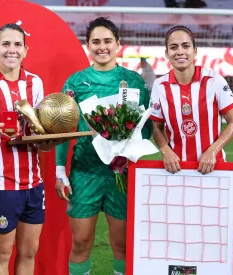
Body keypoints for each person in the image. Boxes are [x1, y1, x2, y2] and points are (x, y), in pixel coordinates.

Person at [55, 17, 152, 275]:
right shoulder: (76, 82)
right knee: (81, 242)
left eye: (108, 41)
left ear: (118, 44)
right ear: (88, 46)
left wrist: (130, 153)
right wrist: (59, 172)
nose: (102, 46)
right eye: (95, 41)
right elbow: (64, 129)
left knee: (122, 245)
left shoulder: (134, 82)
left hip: (120, 176)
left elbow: (147, 127)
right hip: (84, 174)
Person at [0, 23, 57, 275]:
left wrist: (46, 140)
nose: (11, 50)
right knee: (2, 253)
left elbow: (37, 130)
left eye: (17, 44)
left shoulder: (35, 83)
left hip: (33, 183)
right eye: (5, 44)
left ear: (25, 50)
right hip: (0, 183)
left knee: (28, 252)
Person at [150, 25, 233, 175]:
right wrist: (166, 150)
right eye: (173, 47)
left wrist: (212, 151)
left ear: (195, 51)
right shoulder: (159, 86)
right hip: (176, 170)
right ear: (166, 53)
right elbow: (156, 128)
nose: (180, 52)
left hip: (214, 168)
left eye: (186, 46)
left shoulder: (214, 81)